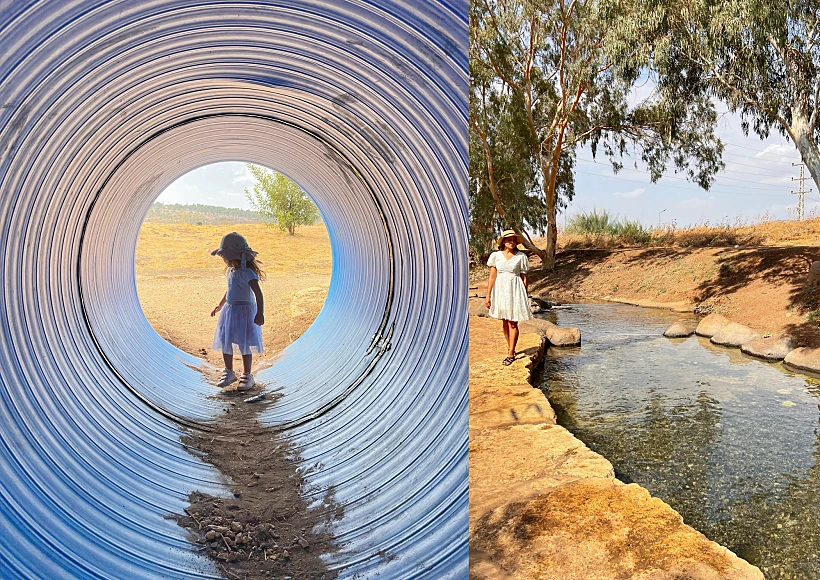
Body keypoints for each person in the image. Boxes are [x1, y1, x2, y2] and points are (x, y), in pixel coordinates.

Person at [210, 232, 265, 390]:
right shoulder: (231, 272)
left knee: (244, 343)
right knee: (226, 340)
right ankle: (229, 372)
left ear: (233, 256)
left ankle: (248, 375)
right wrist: (220, 305)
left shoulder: (247, 273)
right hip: (230, 310)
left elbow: (258, 293)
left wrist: (260, 312)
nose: (222, 258)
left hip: (244, 312)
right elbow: (229, 290)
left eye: (224, 255)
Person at [485, 229, 531, 366]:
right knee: (504, 322)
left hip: (515, 290)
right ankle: (511, 347)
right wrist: (488, 296)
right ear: (503, 242)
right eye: (508, 239)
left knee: (513, 322)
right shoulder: (496, 256)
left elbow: (524, 278)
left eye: (513, 240)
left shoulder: (521, 256)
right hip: (500, 290)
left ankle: (511, 353)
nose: (511, 242)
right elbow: (492, 277)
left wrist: (525, 295)